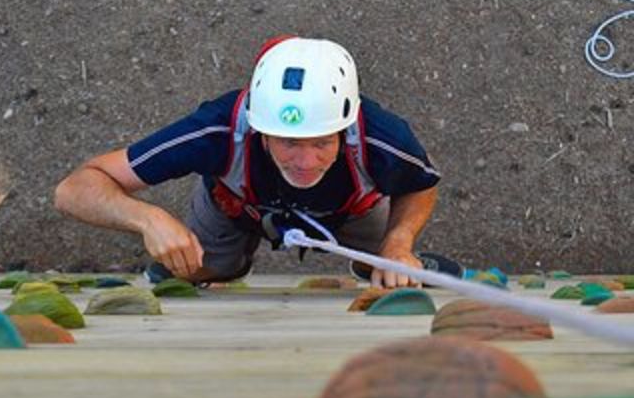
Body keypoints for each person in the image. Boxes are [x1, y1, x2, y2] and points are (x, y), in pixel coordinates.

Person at [54, 35, 458, 289]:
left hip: (350, 213)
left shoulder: (382, 136)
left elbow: (419, 184)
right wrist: (148, 218)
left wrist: (399, 242)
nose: (304, 161)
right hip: (234, 208)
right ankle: (220, 266)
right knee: (200, 270)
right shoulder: (216, 128)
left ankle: (374, 262)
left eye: (321, 143)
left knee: (391, 272)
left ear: (345, 127)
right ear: (258, 128)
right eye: (286, 142)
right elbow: (74, 189)